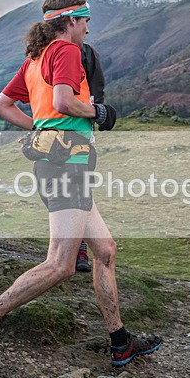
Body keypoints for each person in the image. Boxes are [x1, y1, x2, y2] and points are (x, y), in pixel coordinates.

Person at [0, 0, 162, 376]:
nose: (87, 30)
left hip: (61, 161)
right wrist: (99, 112)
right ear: (71, 20)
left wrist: (42, 127)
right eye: (85, 22)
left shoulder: (35, 57)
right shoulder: (65, 50)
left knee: (104, 249)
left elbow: (0, 106)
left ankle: (121, 343)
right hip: (66, 166)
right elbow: (66, 102)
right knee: (61, 265)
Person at [76, 42, 105, 272]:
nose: (87, 28)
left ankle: (80, 249)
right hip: (55, 137)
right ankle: (71, 250)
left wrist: (96, 114)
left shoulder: (87, 53)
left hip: (82, 135)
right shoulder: (47, 51)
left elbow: (97, 90)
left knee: (82, 190)